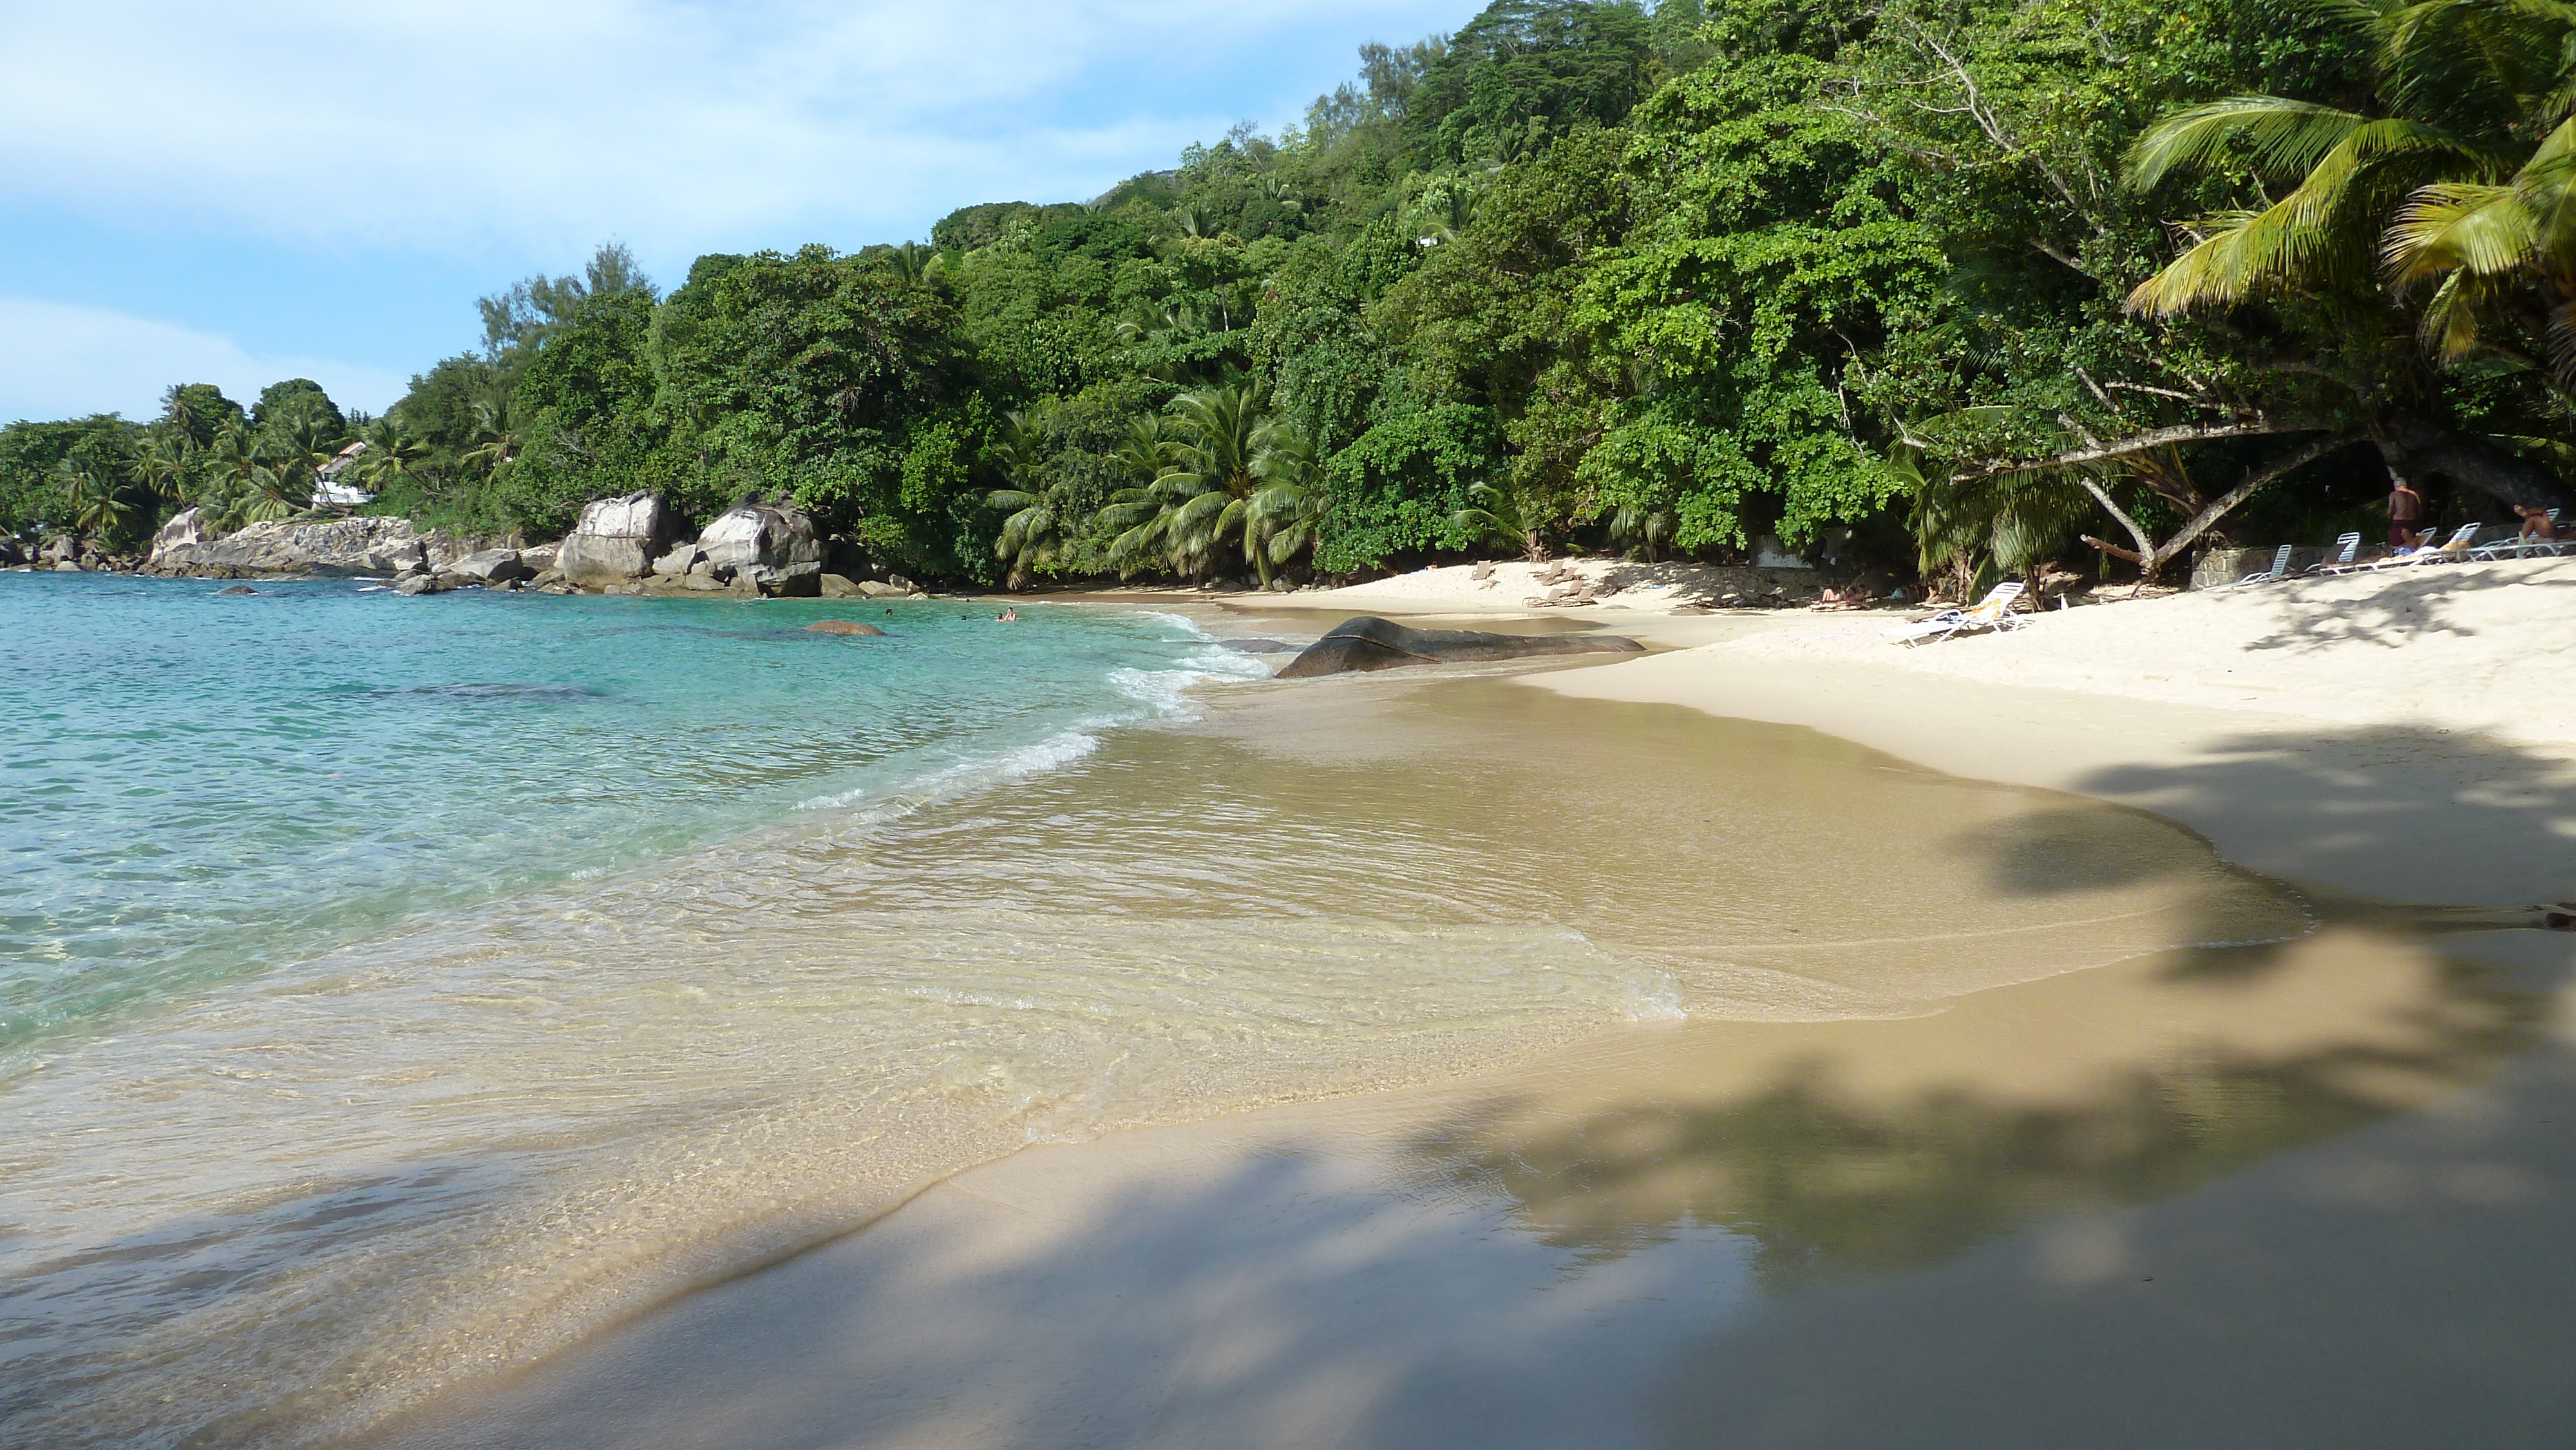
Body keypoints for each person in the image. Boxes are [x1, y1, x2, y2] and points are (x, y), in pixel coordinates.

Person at [2387, 476, 2424, 550]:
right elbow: (2420, 510)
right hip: (2412, 521)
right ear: (2405, 485)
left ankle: (2398, 556)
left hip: (2399, 521)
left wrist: (2389, 516)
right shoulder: (2414, 495)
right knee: (2411, 540)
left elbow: (2391, 509)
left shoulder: (2394, 494)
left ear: (2396, 486)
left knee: (2396, 545)